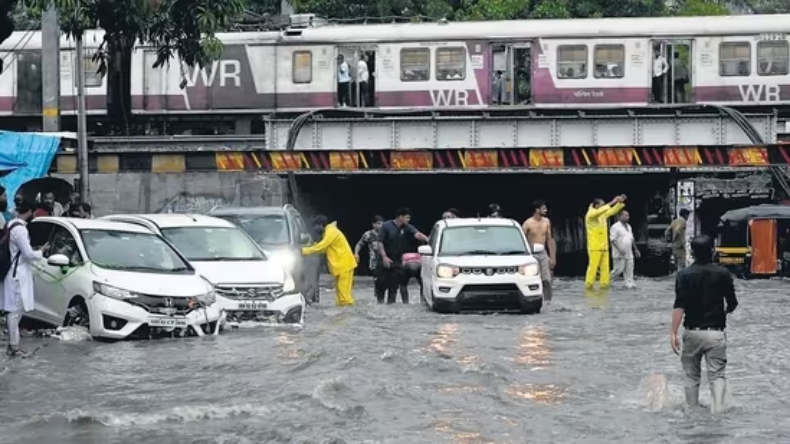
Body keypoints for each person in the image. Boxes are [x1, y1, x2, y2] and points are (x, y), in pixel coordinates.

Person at [671, 234, 738, 414]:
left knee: (691, 376)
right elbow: (732, 303)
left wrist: (672, 333)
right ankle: (718, 412)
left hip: (692, 332)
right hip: (715, 332)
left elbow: (679, 305)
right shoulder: (723, 274)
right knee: (717, 375)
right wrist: (723, 313)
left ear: (691, 252)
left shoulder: (683, 275)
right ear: (712, 251)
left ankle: (692, 412)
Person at [2, 200, 48, 357]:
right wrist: (41, 252)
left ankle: (13, 345)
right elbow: (28, 254)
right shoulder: (21, 230)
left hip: (13, 272)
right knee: (15, 311)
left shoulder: (11, 224)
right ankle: (14, 347)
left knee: (14, 310)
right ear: (31, 212)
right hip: (18, 275)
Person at [301, 216, 356, 306]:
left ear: (320, 225)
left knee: (344, 296)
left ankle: (347, 314)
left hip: (344, 265)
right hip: (341, 266)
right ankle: (342, 316)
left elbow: (322, 246)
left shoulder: (331, 231)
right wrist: (312, 247)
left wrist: (303, 251)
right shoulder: (328, 232)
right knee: (340, 294)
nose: (315, 229)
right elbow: (325, 249)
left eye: (315, 226)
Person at [377, 207, 428, 304]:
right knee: (381, 284)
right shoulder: (386, 226)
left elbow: (417, 234)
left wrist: (428, 239)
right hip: (384, 260)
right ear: (400, 217)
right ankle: (380, 304)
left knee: (394, 286)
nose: (408, 220)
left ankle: (390, 306)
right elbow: (380, 242)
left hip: (397, 261)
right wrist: (384, 256)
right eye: (407, 218)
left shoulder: (406, 227)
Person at [585, 195, 626, 289]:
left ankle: (604, 285)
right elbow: (598, 212)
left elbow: (611, 211)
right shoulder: (590, 214)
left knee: (605, 268)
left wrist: (619, 202)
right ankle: (589, 285)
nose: (604, 206)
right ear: (596, 206)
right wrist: (612, 202)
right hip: (594, 246)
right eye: (602, 205)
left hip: (604, 246)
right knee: (593, 268)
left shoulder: (602, 215)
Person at [522, 200, 556, 301]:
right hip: (531, 254)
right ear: (537, 210)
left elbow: (550, 239)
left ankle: (548, 302)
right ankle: (534, 299)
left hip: (542, 252)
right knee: (532, 278)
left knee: (547, 280)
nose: (546, 210)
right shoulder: (528, 223)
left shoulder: (547, 221)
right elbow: (521, 240)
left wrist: (553, 257)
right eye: (543, 208)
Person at [354, 215, 384, 300]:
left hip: (384, 259)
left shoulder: (385, 233)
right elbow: (359, 244)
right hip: (374, 260)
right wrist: (356, 253)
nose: (380, 226)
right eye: (378, 224)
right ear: (373, 224)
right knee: (377, 278)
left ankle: (381, 294)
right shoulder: (368, 234)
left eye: (382, 224)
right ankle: (378, 295)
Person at [610, 210, 640, 289]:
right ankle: (607, 280)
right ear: (620, 216)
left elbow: (631, 239)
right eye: (626, 216)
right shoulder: (615, 227)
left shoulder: (629, 226)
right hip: (619, 253)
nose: (628, 217)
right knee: (618, 270)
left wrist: (636, 249)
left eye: (628, 215)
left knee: (629, 269)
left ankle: (629, 283)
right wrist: (619, 249)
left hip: (629, 252)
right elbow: (613, 239)